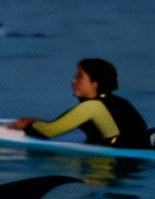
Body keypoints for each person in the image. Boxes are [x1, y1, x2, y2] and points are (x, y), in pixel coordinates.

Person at [8, 58, 152, 149]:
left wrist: (27, 125)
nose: (73, 81)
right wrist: (36, 121)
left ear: (94, 84)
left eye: (79, 77)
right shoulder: (117, 102)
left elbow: (49, 131)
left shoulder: (92, 107)